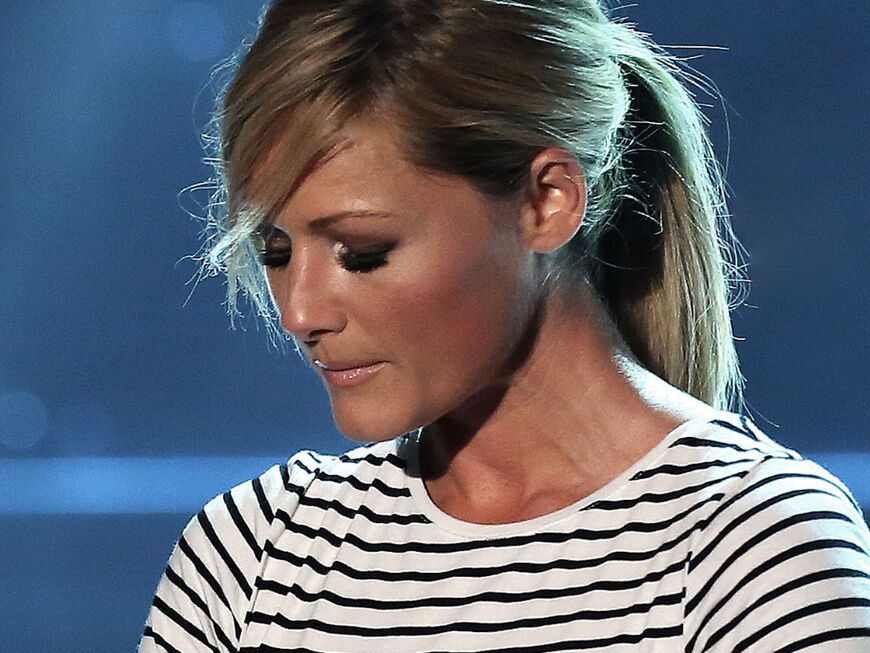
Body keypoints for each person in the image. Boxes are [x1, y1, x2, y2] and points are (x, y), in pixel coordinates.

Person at [139, 1, 870, 651]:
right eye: (275, 251)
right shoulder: (255, 552)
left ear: (548, 201)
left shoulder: (750, 546)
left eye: (363, 251)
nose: (301, 312)